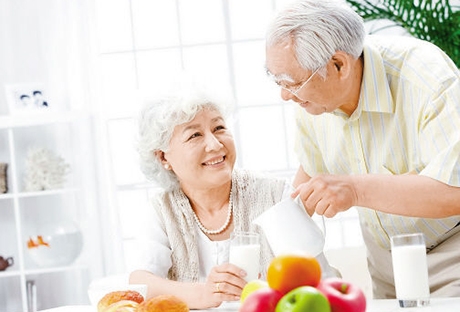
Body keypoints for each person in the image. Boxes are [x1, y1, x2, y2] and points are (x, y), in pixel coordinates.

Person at [264, 0, 460, 299]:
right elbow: (308, 181)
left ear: (339, 65)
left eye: (292, 83)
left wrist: (355, 190)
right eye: (277, 81)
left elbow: (455, 190)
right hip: (385, 264)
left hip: (450, 253)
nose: (284, 95)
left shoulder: (426, 78)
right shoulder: (313, 100)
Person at [128, 83, 335, 309]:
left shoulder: (275, 196)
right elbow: (140, 283)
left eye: (219, 128)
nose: (215, 144)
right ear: (163, 158)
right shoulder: (161, 210)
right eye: (195, 135)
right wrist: (204, 294)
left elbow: (320, 283)